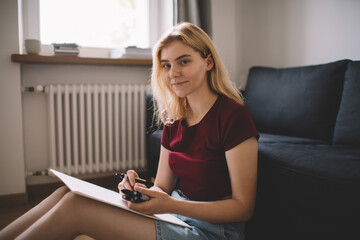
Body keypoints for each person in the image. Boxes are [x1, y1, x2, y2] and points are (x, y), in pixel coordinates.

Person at [0, 22, 258, 240]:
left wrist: (171, 205)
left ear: (208, 62)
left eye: (184, 61)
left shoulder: (233, 117)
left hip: (213, 231)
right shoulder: (174, 118)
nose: (173, 73)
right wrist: (139, 189)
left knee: (76, 208)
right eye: (166, 65)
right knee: (67, 192)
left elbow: (242, 209)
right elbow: (163, 187)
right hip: (177, 214)